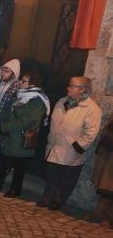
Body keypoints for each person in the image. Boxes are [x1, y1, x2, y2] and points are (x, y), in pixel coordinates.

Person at [39, 77, 101, 210]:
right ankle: (47, 198)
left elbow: (91, 132)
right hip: (55, 145)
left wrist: (78, 146)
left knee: (66, 178)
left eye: (72, 86)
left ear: (83, 89)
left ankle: (58, 201)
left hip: (71, 150)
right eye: (69, 85)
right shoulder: (62, 102)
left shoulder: (92, 109)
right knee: (51, 175)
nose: (68, 88)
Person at [0, 71, 49, 197]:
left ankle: (15, 189)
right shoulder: (19, 95)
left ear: (33, 84)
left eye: (23, 81)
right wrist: (2, 123)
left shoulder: (38, 101)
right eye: (21, 80)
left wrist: (4, 126)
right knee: (2, 161)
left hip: (20, 138)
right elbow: (6, 111)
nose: (20, 82)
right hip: (9, 136)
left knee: (19, 164)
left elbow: (26, 121)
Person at [92, 113, 113, 228]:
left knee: (109, 191)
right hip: (108, 159)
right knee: (104, 190)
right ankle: (99, 214)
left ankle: (108, 219)